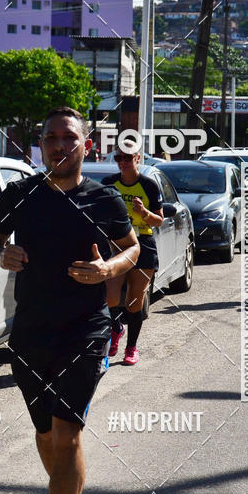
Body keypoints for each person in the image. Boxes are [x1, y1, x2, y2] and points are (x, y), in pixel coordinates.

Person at [0, 107, 139, 494]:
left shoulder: (104, 198)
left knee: (67, 437)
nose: (58, 145)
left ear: (86, 145)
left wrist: (109, 269)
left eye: (69, 137)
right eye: (50, 138)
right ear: (40, 145)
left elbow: (131, 248)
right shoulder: (20, 195)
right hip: (29, 333)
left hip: (85, 329)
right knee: (46, 436)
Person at [101, 146, 164, 365]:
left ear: (138, 159)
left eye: (127, 158)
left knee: (134, 301)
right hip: (117, 244)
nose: (122, 162)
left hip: (143, 243)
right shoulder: (109, 183)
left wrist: (144, 213)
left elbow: (159, 220)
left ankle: (131, 347)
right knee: (111, 296)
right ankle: (116, 328)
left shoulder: (148, 185)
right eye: (118, 158)